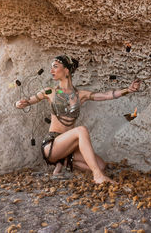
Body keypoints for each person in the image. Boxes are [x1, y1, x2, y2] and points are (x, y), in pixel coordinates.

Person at [15, 55, 140, 183]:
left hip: (68, 148)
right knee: (81, 130)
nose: (51, 71)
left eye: (55, 67)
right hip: (51, 146)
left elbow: (106, 95)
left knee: (101, 165)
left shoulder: (80, 95)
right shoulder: (50, 92)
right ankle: (97, 176)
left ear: (66, 70)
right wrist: (20, 103)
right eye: (51, 68)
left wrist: (128, 90)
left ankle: (65, 163)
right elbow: (30, 100)